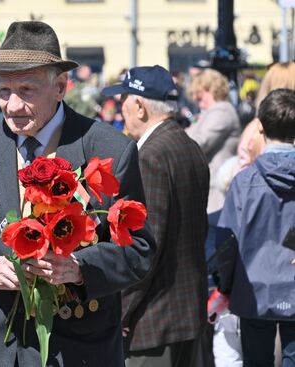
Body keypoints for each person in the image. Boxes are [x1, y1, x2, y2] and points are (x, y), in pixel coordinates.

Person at [0, 20, 155, 366]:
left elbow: (140, 250)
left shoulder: (109, 148)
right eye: (4, 91)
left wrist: (80, 268)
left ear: (61, 87)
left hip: (78, 348)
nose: (12, 105)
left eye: (27, 90)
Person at [104, 65, 210, 367]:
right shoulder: (188, 146)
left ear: (139, 106)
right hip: (185, 315)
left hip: (153, 321)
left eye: (124, 98)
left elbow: (147, 245)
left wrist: (121, 309)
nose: (120, 108)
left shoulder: (150, 155)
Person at [217, 88, 295, 367]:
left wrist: (225, 286)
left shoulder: (245, 181)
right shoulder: (246, 181)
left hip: (254, 286)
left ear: (260, 127)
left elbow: (226, 242)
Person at [186, 68, 241, 213]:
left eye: (199, 95)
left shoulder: (221, 111)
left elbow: (199, 142)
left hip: (217, 189)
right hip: (211, 186)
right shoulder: (213, 112)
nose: (197, 101)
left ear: (211, 89)